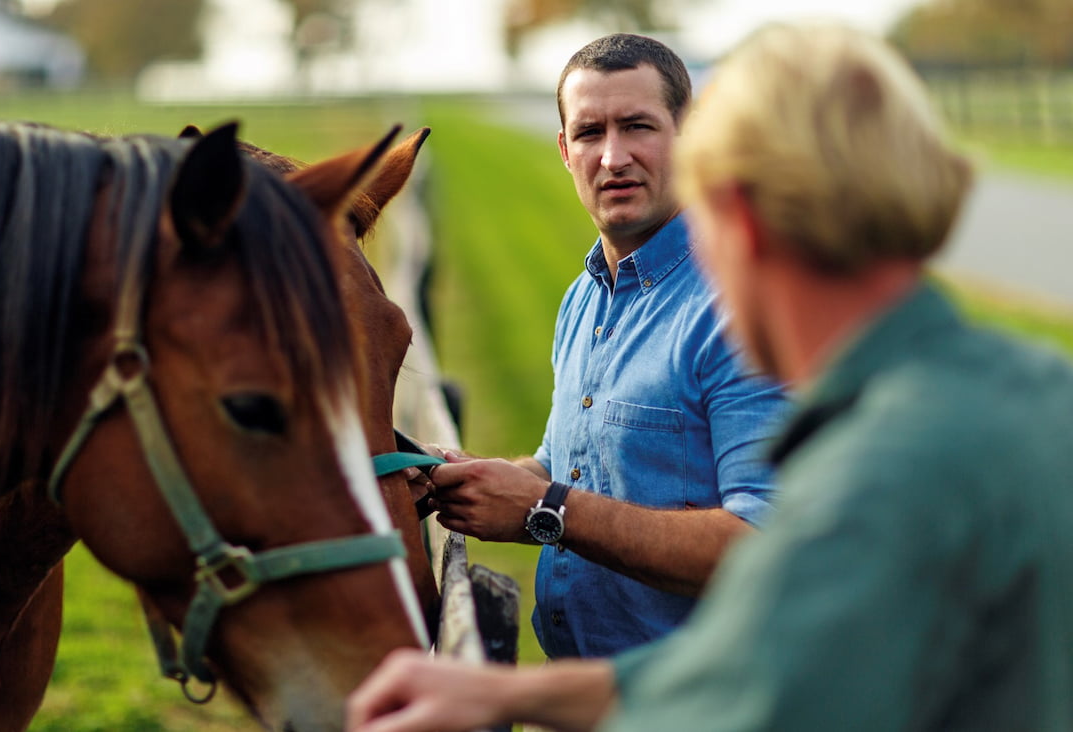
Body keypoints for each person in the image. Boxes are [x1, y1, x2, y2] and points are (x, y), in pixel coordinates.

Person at [348, 21, 1073, 732]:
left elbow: (755, 686)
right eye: (592, 135)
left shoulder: (878, 462)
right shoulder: (1037, 390)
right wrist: (512, 698)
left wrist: (547, 521)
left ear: (739, 221)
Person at [422, 33, 788, 660]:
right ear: (565, 151)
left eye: (638, 126)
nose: (613, 157)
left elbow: (765, 545)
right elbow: (569, 463)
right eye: (590, 133)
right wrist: (473, 475)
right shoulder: (584, 298)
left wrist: (543, 507)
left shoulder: (741, 308)